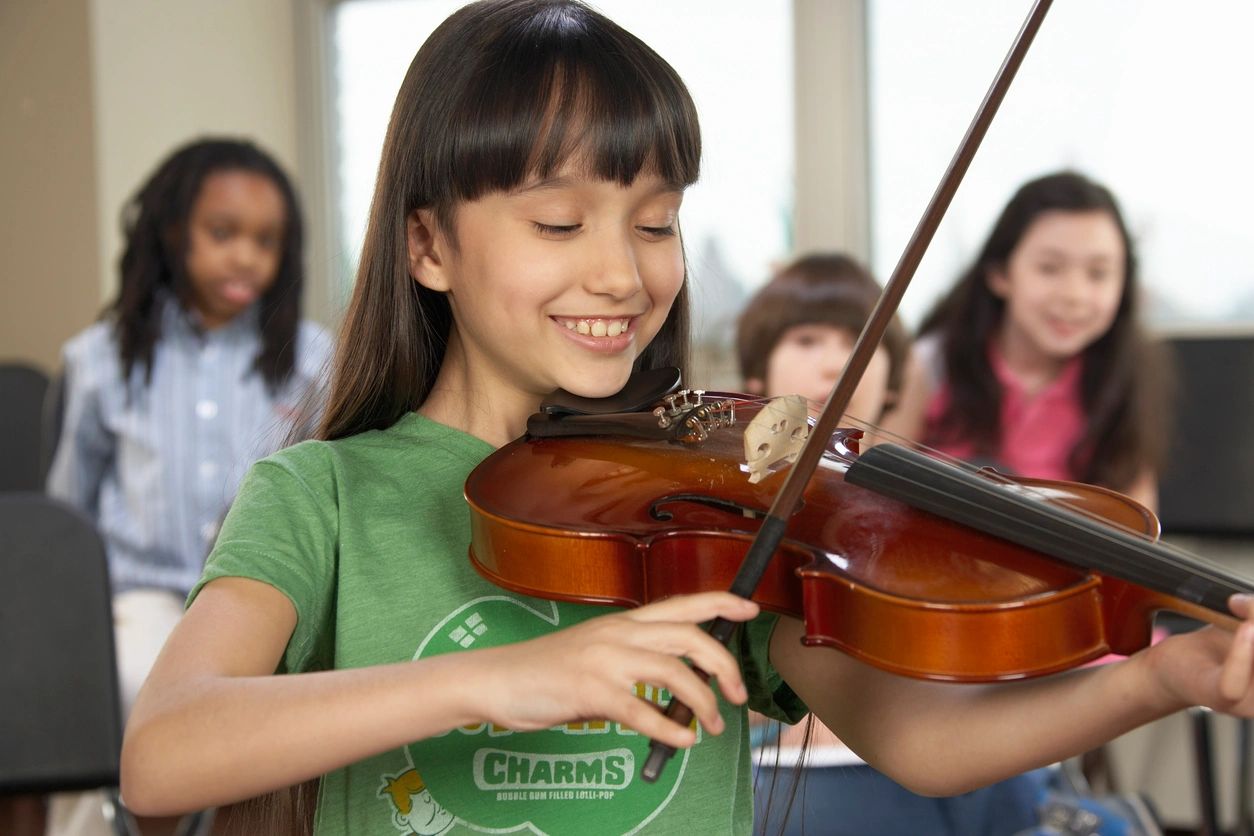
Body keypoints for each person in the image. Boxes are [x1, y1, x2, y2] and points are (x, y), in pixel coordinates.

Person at [121, 4, 1254, 835]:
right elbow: (165, 750)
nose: (621, 272)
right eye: (559, 222)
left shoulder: (713, 520)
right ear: (428, 244)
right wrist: (500, 677)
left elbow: (925, 743)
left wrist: (1162, 676)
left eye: (656, 223)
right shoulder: (325, 494)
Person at [46, 138, 331, 834]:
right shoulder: (100, 360)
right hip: (139, 593)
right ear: (174, 233)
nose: (246, 257)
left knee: (266, 705)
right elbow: (66, 515)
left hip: (256, 593)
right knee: (147, 688)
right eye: (223, 233)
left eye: (267, 241)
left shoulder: (312, 359)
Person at [738, 253, 1041, 835]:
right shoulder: (715, 514)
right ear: (757, 376)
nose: (834, 365)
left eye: (858, 341)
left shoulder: (928, 514)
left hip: (919, 757)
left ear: (895, 375)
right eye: (806, 340)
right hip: (791, 771)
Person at [881, 171, 1170, 512]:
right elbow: (874, 497)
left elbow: (1135, 522)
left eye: (1098, 273)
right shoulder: (931, 365)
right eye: (1049, 268)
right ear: (1000, 274)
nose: (1074, 295)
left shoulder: (1126, 377)